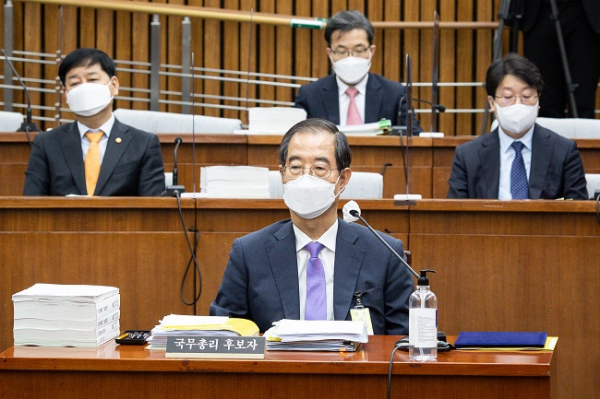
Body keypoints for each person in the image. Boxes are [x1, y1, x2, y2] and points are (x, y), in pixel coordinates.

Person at [210, 118, 413, 334]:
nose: (305, 178)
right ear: (282, 175)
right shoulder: (249, 253)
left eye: (319, 168)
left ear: (343, 179)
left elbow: (404, 341)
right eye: (296, 167)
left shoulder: (384, 253)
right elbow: (225, 334)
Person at [23, 48, 165, 196]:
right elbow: (31, 204)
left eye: (92, 80)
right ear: (66, 94)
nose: (84, 88)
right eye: (75, 83)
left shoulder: (143, 144)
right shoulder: (47, 143)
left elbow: (153, 209)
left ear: (114, 85)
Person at [447, 53, 587, 200]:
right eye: (508, 97)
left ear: (538, 100)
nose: (518, 104)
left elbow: (578, 213)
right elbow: (456, 217)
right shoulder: (468, 156)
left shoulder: (563, 151)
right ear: (492, 103)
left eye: (526, 96)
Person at [294, 10, 422, 134]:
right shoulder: (310, 96)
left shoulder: (395, 94)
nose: (351, 58)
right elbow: (295, 140)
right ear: (330, 53)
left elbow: (415, 138)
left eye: (359, 50)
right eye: (341, 51)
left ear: (371, 51)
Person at [516, 0, 600, 118]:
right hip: (540, 11)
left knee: (583, 100)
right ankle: (548, 136)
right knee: (544, 99)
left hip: (584, 12)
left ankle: (580, 136)